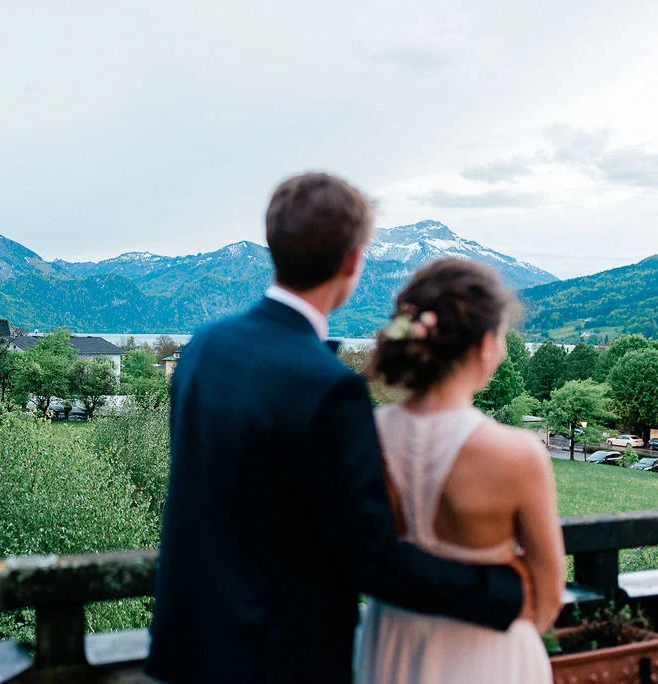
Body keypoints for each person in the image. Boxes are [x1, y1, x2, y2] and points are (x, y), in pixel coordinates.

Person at [146, 172, 533, 683]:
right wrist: (504, 590)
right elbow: (370, 557)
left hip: (183, 647)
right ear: (353, 261)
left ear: (274, 246)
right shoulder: (329, 387)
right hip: (278, 659)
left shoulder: (202, 349)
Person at [355, 258, 565, 683]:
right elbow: (548, 595)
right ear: (486, 344)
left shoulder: (361, 436)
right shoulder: (517, 455)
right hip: (487, 655)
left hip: (389, 647)